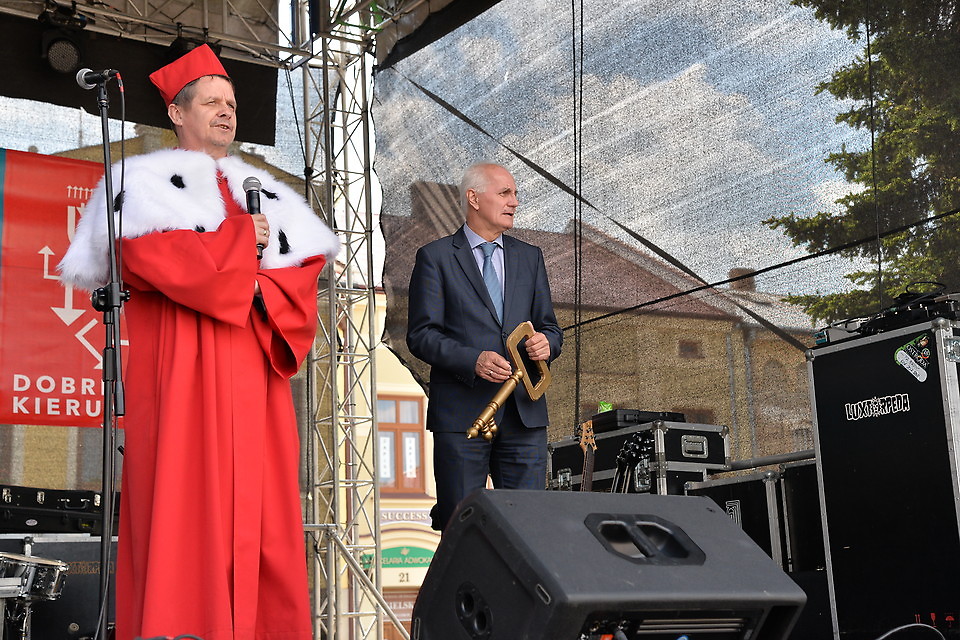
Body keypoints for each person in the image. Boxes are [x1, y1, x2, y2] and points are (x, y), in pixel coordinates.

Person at [58, 44, 339, 640]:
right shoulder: (143, 183)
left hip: (255, 380)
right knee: (185, 510)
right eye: (211, 102)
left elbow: (303, 272)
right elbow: (148, 256)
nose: (226, 111)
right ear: (177, 114)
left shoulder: (266, 191)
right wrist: (241, 243)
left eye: (231, 103)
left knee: (265, 519)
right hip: (182, 375)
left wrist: (251, 274)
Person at [406, 162, 562, 532]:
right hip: (462, 416)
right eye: (505, 193)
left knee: (529, 530)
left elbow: (550, 328)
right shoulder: (435, 257)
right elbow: (421, 335)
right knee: (462, 528)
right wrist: (472, 360)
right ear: (474, 198)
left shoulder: (530, 256)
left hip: (525, 416)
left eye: (515, 194)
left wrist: (547, 344)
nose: (515, 202)